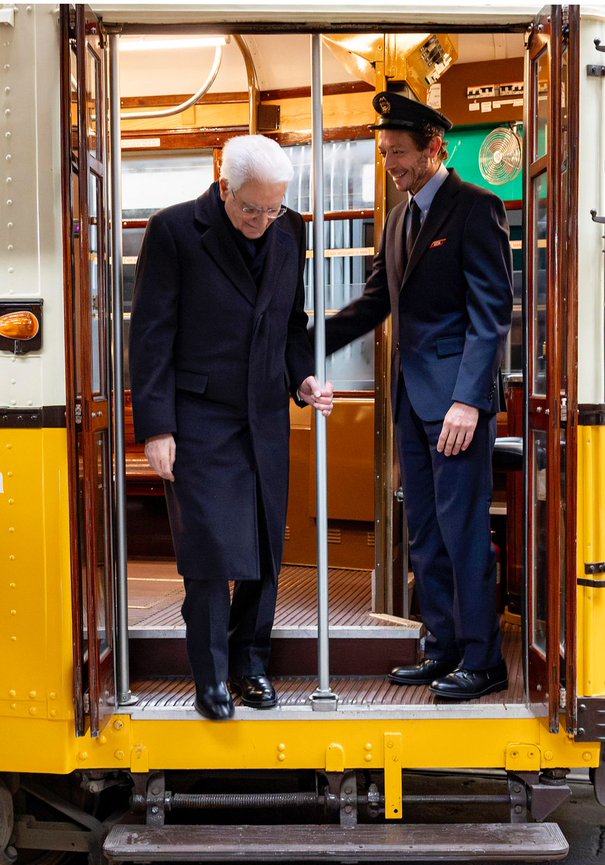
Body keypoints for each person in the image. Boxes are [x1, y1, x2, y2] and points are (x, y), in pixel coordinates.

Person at [129, 134, 333, 720]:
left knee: (266, 547)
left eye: (274, 208)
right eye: (252, 208)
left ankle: (250, 664)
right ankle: (212, 678)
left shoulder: (290, 231)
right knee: (212, 551)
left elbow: (292, 325)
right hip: (198, 417)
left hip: (264, 413)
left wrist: (304, 380)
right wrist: (157, 427)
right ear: (224, 188)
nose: (264, 220)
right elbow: (150, 335)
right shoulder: (173, 232)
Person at [322, 92, 513, 700]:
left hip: (455, 405)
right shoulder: (401, 218)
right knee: (424, 531)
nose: (391, 165)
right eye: (384, 155)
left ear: (434, 147)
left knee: (461, 530)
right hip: (412, 399)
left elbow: (490, 316)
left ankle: (484, 660)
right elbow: (375, 301)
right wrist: (304, 343)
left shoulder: (475, 208)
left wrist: (468, 400)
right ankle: (444, 647)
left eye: (399, 154)